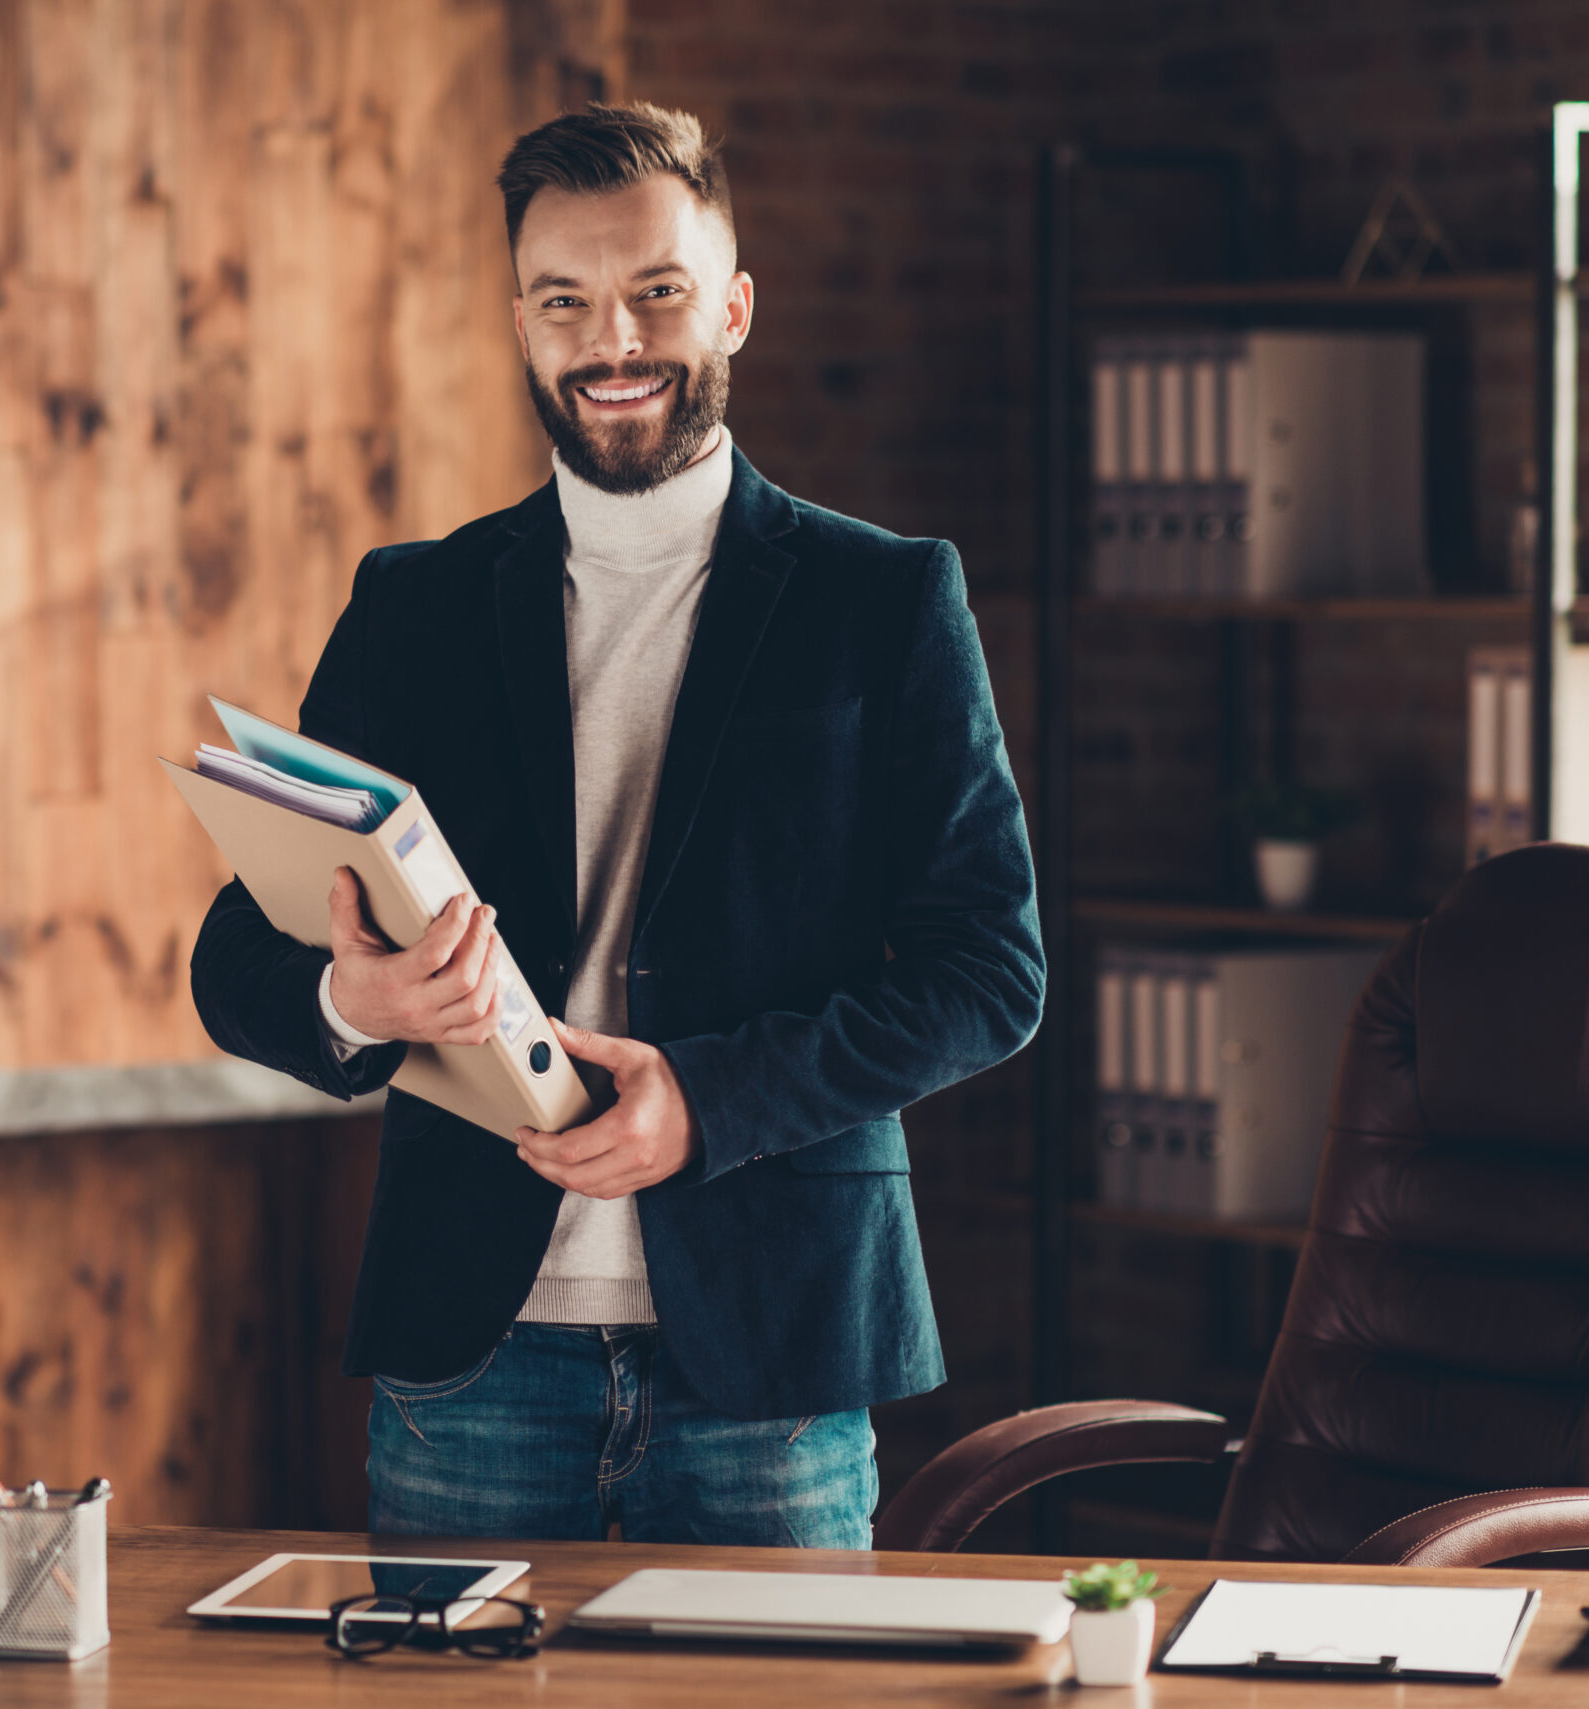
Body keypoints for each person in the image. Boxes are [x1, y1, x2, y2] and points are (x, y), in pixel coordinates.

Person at [189, 101, 1042, 1548]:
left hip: (772, 1363)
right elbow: (233, 964)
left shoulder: (883, 601)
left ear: (735, 306)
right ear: (521, 324)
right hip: (471, 1359)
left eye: (657, 292)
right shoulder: (416, 608)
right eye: (566, 301)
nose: (616, 342)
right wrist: (355, 993)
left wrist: (710, 1099)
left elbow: (990, 975)